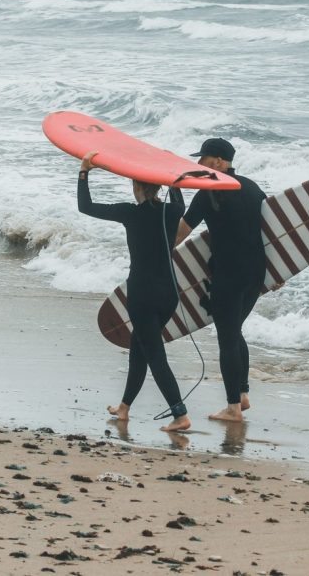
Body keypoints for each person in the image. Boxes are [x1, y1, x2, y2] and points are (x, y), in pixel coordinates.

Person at [77, 151, 191, 433]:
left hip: (142, 294)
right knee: (139, 350)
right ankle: (124, 408)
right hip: (169, 294)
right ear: (159, 187)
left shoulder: (129, 212)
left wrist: (84, 172)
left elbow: (86, 206)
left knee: (154, 354)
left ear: (135, 187)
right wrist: (172, 177)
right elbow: (179, 199)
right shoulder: (172, 211)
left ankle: (180, 415)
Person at [176, 138, 266, 422]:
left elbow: (182, 232)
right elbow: (272, 232)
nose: (199, 164)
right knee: (234, 329)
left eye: (203, 159)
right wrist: (279, 274)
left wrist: (158, 253)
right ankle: (241, 394)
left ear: (217, 162)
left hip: (228, 274)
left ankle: (233, 409)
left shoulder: (209, 192)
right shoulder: (252, 188)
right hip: (256, 273)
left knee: (227, 337)